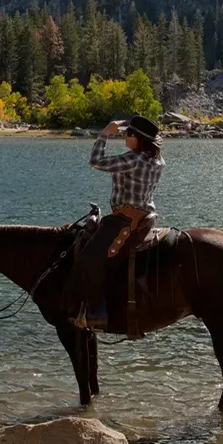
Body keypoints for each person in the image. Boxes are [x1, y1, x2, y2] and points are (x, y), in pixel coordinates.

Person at [69, 115, 165, 330]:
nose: (125, 137)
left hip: (125, 218)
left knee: (90, 257)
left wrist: (104, 134)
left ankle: (97, 313)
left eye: (128, 134)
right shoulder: (156, 160)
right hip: (145, 216)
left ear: (139, 139)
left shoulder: (133, 160)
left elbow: (95, 161)